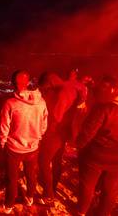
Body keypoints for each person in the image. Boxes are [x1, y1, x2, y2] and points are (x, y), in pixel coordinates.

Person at [76, 79, 118, 216]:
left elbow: (88, 131)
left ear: (115, 90)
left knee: (88, 185)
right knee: (111, 189)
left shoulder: (105, 108)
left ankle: (81, 212)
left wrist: (80, 147)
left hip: (97, 155)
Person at [0, 70, 48, 214]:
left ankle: (9, 205)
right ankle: (30, 197)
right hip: (33, 147)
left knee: (12, 179)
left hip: (14, 148)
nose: (18, 85)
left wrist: (2, 143)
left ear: (13, 83)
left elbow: (4, 127)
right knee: (31, 174)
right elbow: (44, 125)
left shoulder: (10, 103)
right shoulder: (41, 102)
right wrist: (36, 138)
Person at [38, 72, 85, 204]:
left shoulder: (62, 93)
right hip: (65, 131)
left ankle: (48, 194)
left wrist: (46, 130)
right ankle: (53, 186)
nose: (44, 89)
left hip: (55, 132)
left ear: (50, 83)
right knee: (57, 159)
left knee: (43, 161)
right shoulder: (72, 88)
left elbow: (56, 116)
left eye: (45, 86)